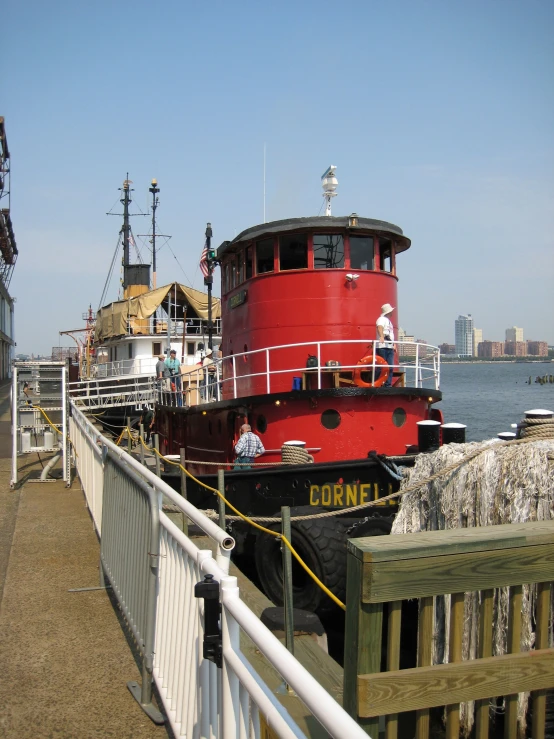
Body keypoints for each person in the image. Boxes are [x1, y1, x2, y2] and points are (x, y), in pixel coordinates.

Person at [375, 303, 395, 387]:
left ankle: (387, 384)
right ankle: (377, 383)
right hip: (382, 347)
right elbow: (379, 327)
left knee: (390, 367)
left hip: (389, 347)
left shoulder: (388, 321)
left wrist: (394, 345)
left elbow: (390, 334)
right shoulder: (381, 319)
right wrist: (382, 336)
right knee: (381, 367)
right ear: (388, 312)